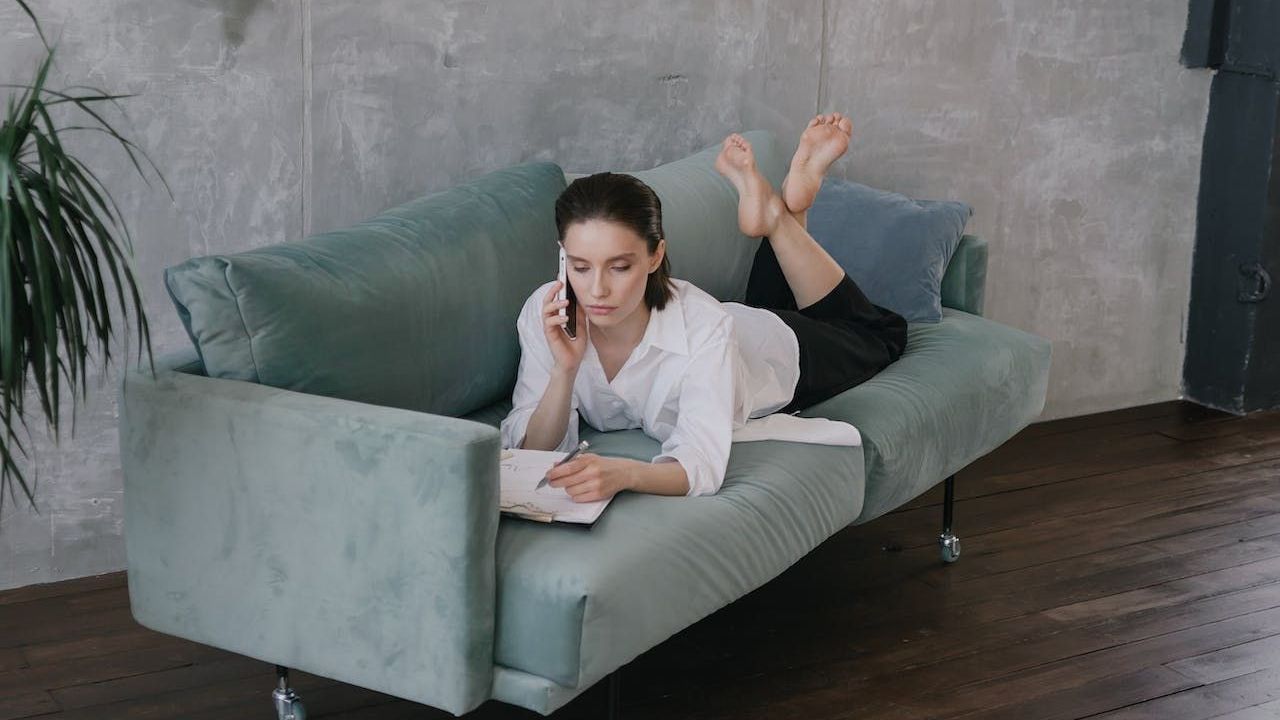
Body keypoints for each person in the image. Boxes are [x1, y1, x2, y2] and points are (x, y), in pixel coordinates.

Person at [499, 113, 907, 502]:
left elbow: (702, 466)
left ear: (656, 256)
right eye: (580, 266)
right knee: (773, 299)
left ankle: (780, 219)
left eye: (620, 267)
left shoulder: (704, 329)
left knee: (879, 333)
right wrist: (564, 370)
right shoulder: (547, 313)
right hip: (736, 321)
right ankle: (784, 211)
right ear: (562, 257)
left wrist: (625, 474)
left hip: (775, 350)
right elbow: (534, 447)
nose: (597, 290)